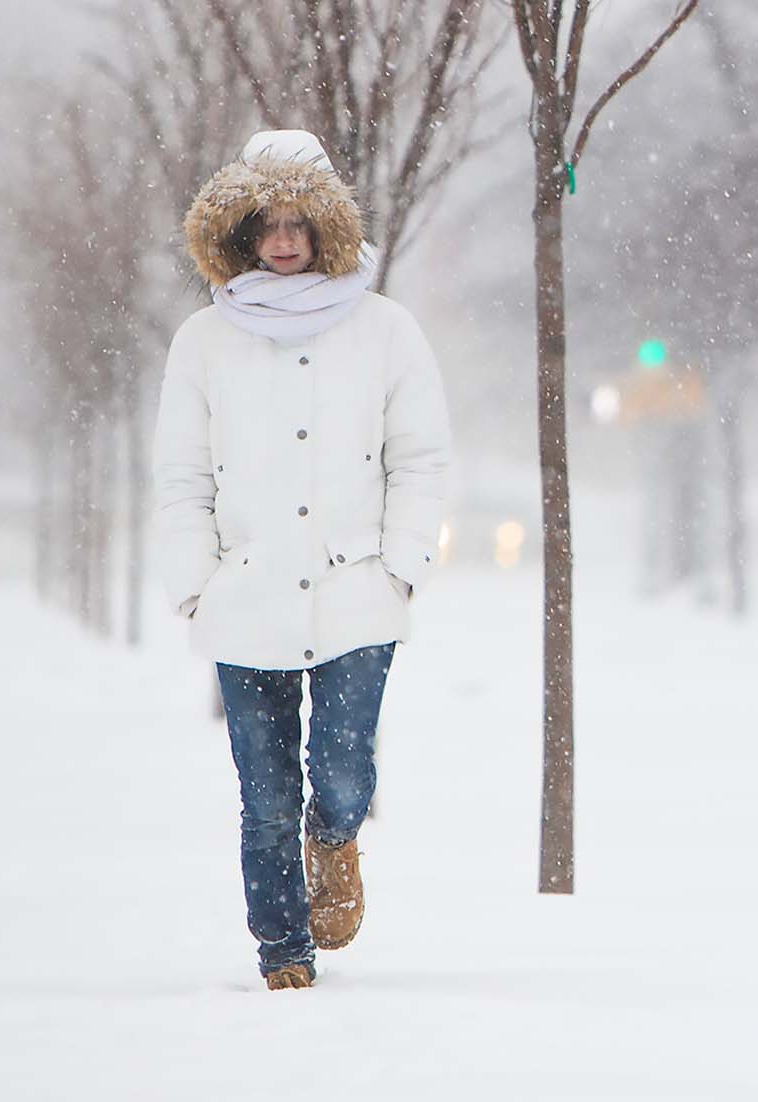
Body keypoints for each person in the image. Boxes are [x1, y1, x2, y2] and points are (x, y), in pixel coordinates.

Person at [152, 129, 451, 991]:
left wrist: (402, 566)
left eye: (300, 221)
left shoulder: (387, 329)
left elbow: (420, 457)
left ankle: (338, 840)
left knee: (344, 769)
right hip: (243, 597)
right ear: (240, 231)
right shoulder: (203, 341)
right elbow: (180, 473)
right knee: (266, 792)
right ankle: (283, 952)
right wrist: (193, 585)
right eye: (265, 222)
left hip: (359, 589)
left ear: (328, 228)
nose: (284, 239)